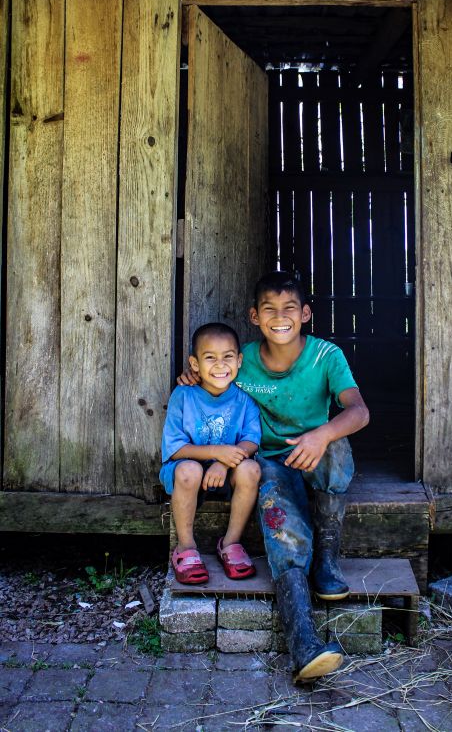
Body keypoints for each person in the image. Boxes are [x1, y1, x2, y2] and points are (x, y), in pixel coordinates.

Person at [180, 272, 369, 682]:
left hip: (312, 454)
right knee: (283, 527)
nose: (280, 317)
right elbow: (213, 376)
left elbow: (359, 412)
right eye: (270, 309)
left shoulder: (325, 356)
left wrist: (321, 434)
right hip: (267, 460)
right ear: (255, 316)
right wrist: (193, 378)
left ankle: (327, 561)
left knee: (337, 448)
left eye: (289, 309)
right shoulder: (241, 359)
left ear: (305, 314)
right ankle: (305, 645)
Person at [162, 322, 262, 585]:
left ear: (239, 361)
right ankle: (186, 547)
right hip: (187, 473)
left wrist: (223, 463)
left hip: (227, 472)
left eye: (227, 356)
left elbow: (251, 440)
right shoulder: (183, 395)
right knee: (189, 470)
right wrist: (218, 452)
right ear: (194, 364)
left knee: (251, 469)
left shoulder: (245, 397)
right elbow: (175, 449)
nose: (220, 365)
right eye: (210, 358)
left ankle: (230, 544)